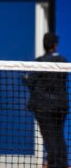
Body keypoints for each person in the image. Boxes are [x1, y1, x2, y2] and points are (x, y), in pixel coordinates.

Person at [25, 33, 68, 168]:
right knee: (59, 137)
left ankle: (55, 164)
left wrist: (27, 79)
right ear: (55, 45)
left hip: (43, 108)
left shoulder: (39, 62)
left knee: (50, 139)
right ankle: (62, 164)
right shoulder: (63, 61)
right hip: (60, 106)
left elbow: (29, 81)